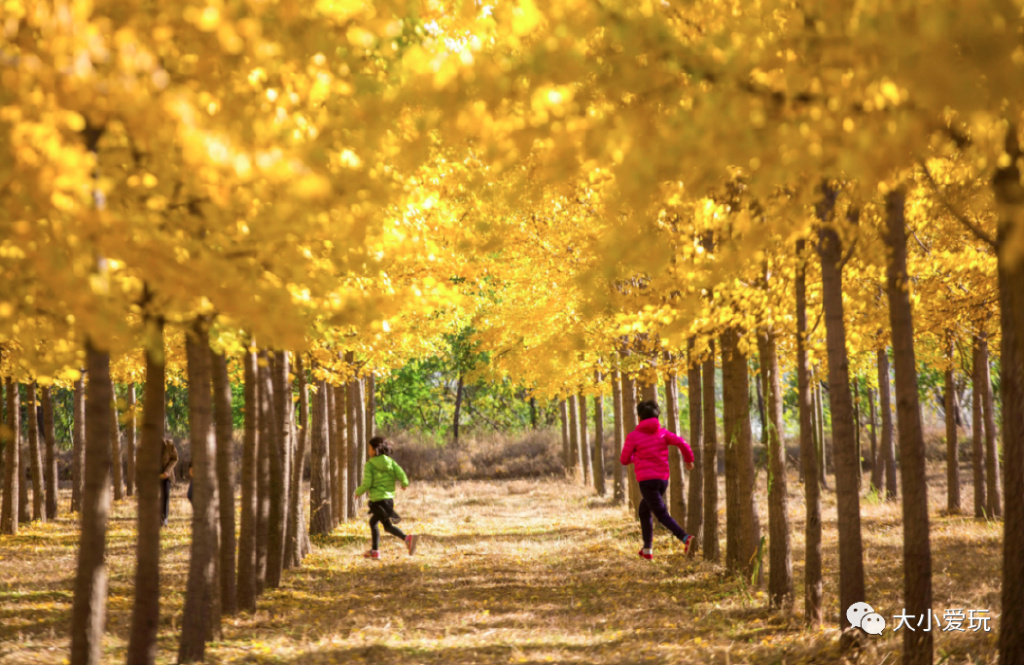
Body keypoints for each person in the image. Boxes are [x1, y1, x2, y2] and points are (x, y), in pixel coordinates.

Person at [620, 399, 695, 560]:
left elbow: (624, 459)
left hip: (647, 482)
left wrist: (637, 456)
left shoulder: (633, 436)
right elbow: (682, 443)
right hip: (662, 481)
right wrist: (689, 460)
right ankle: (647, 550)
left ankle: (684, 537)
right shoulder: (663, 433)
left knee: (660, 513)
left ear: (639, 418)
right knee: (643, 510)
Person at [355, 436, 418, 559]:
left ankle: (377, 550)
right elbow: (401, 473)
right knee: (386, 526)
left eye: (369, 448)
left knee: (373, 522)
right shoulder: (391, 462)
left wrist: (358, 491)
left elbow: (367, 484)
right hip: (388, 501)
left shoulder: (370, 465)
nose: (368, 451)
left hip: (378, 501)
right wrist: (404, 483)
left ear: (375, 450)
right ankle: (405, 540)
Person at [160, 438, 178, 527]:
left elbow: (175, 458)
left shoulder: (169, 445)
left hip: (167, 475)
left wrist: (167, 471)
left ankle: (165, 519)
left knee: (165, 495)